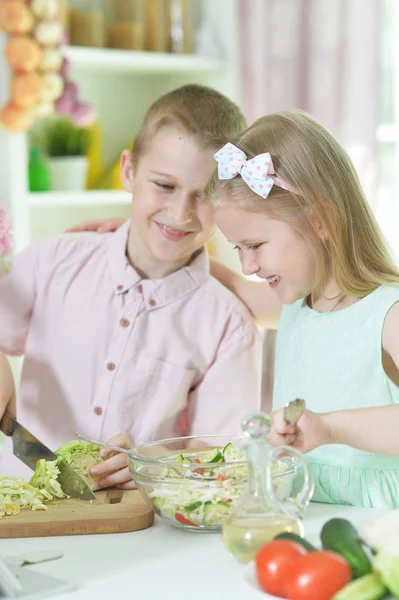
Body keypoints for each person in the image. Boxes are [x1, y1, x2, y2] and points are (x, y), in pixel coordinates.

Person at [0, 84, 262, 489]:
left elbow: (222, 458)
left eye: (203, 196)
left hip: (140, 526)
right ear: (129, 171)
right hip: (22, 506)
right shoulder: (53, 262)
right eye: (164, 185)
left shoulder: (228, 325)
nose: (180, 213)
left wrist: (154, 462)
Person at [204, 109, 399, 509]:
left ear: (322, 220)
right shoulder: (295, 305)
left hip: (379, 532)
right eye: (237, 249)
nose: (248, 266)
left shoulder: (388, 314)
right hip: (302, 519)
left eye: (255, 246)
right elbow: (229, 284)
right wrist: (129, 239)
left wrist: (329, 427)